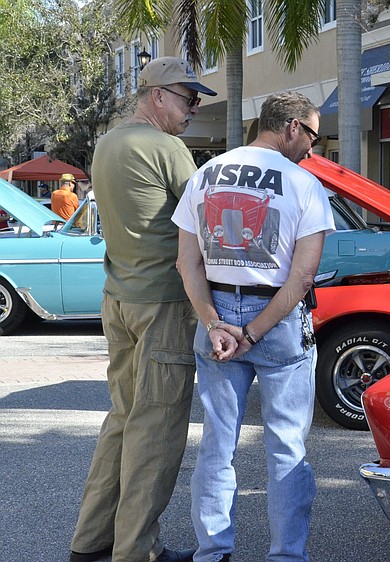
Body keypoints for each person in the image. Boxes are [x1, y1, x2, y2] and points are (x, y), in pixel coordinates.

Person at [172, 91, 333, 562]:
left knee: (218, 443)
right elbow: (302, 277)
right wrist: (254, 331)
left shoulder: (205, 175)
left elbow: (187, 262)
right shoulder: (303, 185)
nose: (312, 147)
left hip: (217, 314)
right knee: (285, 446)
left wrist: (217, 323)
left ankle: (212, 552)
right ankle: (285, 556)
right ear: (290, 128)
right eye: (311, 135)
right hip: (277, 320)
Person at [69, 57, 217, 562]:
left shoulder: (108, 142)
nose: (193, 109)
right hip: (162, 306)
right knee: (155, 432)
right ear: (157, 95)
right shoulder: (167, 147)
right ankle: (136, 552)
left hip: (120, 298)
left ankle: (91, 543)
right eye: (187, 98)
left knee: (123, 421)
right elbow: (208, 223)